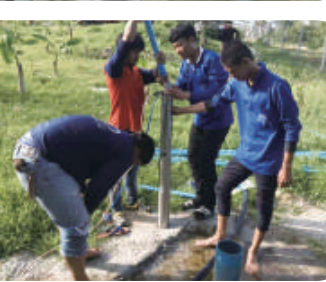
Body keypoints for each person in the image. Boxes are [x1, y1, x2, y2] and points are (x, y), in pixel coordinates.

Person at [194, 41, 302, 277]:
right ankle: (220, 235)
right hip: (245, 154)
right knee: (221, 186)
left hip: (269, 161)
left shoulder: (277, 87)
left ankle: (252, 251)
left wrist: (286, 166)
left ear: (246, 63)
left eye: (232, 72)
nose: (231, 77)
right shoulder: (237, 84)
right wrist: (183, 108)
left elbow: (292, 127)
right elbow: (215, 103)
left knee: (264, 209)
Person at [13, 115, 156, 281]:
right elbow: (98, 189)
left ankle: (79, 252)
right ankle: (79, 276)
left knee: (74, 214)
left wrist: (79, 200)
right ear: (138, 154)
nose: (131, 167)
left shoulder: (119, 138)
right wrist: (82, 216)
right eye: (135, 164)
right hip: (36, 163)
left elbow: (77, 159)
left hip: (27, 148)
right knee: (76, 223)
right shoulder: (126, 152)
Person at [165, 22, 230, 220]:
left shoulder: (213, 60)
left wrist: (185, 96)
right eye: (174, 47)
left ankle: (209, 205)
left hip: (218, 121)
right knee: (193, 157)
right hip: (200, 120)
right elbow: (182, 86)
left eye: (180, 45)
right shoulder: (186, 64)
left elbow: (213, 94)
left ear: (192, 40)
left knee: (206, 162)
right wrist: (169, 87)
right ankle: (200, 198)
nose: (177, 51)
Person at [104, 21, 165, 222]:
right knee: (116, 171)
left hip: (135, 128)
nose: (136, 55)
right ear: (124, 51)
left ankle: (132, 202)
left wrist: (160, 64)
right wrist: (136, 15)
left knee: (133, 169)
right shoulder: (114, 69)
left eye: (138, 52)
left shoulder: (137, 72)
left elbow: (157, 76)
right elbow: (125, 41)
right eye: (134, 51)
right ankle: (116, 209)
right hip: (119, 129)